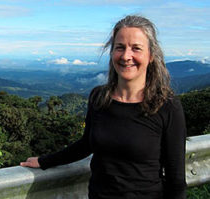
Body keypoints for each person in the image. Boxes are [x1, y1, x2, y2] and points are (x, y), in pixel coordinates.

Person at [20, 15, 187, 199]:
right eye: (120, 47)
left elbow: (176, 180)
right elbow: (86, 144)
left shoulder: (166, 106)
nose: (126, 56)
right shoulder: (99, 98)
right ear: (112, 52)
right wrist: (44, 161)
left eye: (136, 48)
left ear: (151, 56)